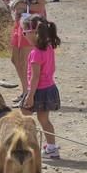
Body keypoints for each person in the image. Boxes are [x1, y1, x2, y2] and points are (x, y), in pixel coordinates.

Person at [10, 0, 46, 106]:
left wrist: (25, 7)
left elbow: (41, 6)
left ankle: (28, 93)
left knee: (25, 60)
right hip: (20, 22)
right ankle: (25, 90)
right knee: (15, 59)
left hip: (32, 24)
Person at [21, 19, 62, 159]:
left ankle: (26, 146)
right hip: (49, 88)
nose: (23, 34)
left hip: (39, 90)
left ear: (34, 32)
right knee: (44, 120)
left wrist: (30, 95)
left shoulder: (35, 53)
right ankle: (52, 147)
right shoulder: (49, 47)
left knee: (24, 114)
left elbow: (35, 77)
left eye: (25, 31)